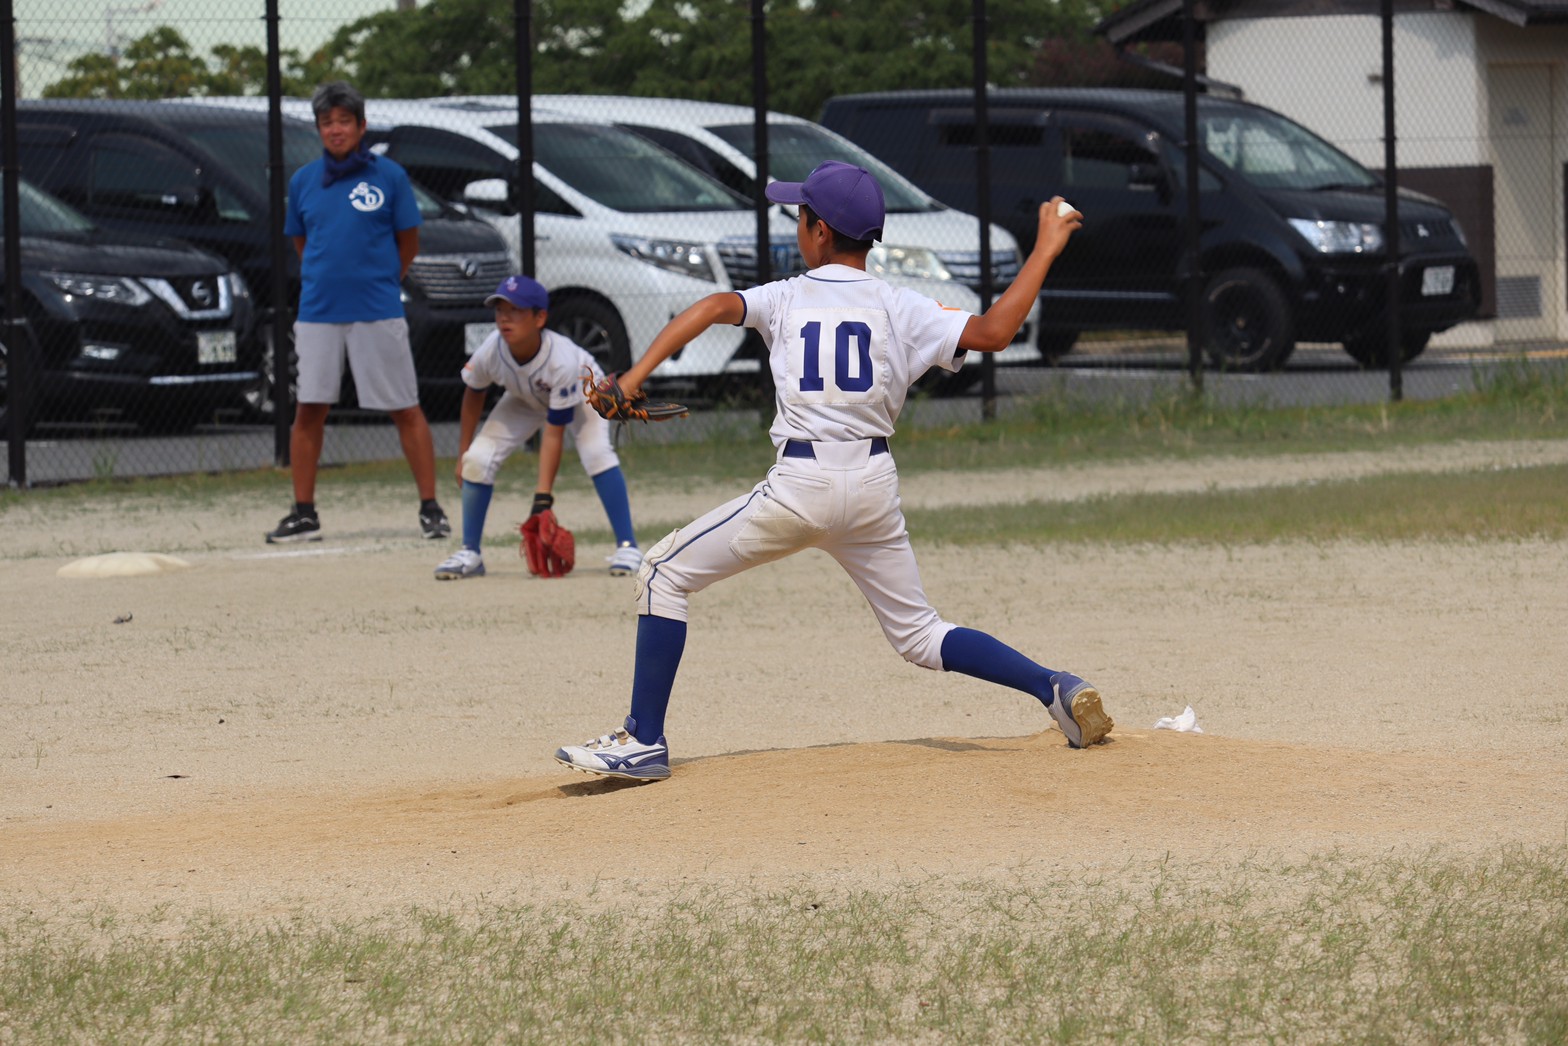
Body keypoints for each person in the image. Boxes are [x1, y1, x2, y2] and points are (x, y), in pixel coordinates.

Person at [554, 160, 1110, 783]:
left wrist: (629, 378)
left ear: (818, 230)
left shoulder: (787, 295)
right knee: (921, 635)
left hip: (801, 487)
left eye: (799, 215)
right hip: (872, 486)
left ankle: (643, 739)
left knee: (661, 572)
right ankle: (1053, 686)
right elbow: (997, 330)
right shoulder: (901, 305)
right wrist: (1045, 245)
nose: (797, 225)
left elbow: (713, 305)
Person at [265, 80, 449, 544]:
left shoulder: (389, 176)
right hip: (318, 312)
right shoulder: (304, 180)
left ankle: (431, 508)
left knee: (405, 407)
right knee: (309, 409)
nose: (335, 130)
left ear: (361, 126)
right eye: (327, 122)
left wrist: (382, 278)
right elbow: (302, 242)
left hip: (377, 308)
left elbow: (408, 242)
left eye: (344, 121)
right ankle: (304, 512)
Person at [433, 275, 644, 580]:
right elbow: (473, 393)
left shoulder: (561, 360)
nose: (505, 318)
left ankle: (628, 547)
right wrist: (463, 452)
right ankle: (470, 553)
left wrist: (542, 497)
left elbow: (554, 432)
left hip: (585, 393)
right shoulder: (492, 349)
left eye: (516, 310)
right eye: (500, 310)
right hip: (525, 398)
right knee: (477, 460)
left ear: (540, 318)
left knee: (596, 452)